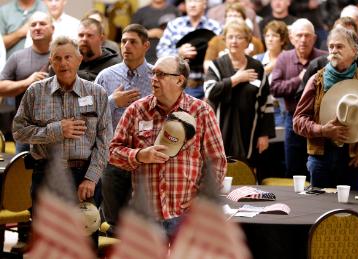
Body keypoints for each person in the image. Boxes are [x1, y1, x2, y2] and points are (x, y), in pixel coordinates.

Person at [109, 55, 227, 238]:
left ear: (180, 80)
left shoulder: (201, 112)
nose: (153, 79)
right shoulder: (137, 110)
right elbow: (113, 152)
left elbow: (217, 161)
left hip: (186, 215)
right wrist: (140, 155)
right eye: (153, 73)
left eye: (161, 74)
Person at [12, 36, 112, 249]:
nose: (63, 63)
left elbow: (105, 141)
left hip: (84, 177)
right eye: (57, 58)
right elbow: (18, 132)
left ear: (78, 59)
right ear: (51, 62)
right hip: (45, 174)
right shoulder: (35, 92)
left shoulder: (97, 93)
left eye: (68, 57)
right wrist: (56, 130)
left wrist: (91, 178)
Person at [293, 27, 358, 191]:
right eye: (331, 46)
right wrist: (322, 130)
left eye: (339, 46)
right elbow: (298, 120)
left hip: (354, 160)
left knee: (352, 212)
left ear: (354, 51)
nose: (333, 50)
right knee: (320, 210)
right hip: (321, 159)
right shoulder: (316, 80)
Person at [95, 24, 153, 232]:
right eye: (123, 41)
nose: (126, 46)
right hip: (113, 157)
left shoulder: (157, 77)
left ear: (146, 45)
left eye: (133, 42)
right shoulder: (105, 76)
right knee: (113, 222)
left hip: (145, 159)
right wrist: (112, 102)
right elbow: (91, 118)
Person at [204, 20, 275, 171]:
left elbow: (265, 102)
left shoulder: (257, 67)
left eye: (239, 37)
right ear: (225, 40)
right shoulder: (216, 66)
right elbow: (210, 91)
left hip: (249, 131)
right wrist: (236, 79)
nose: (234, 41)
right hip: (222, 128)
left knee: (247, 173)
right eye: (230, 37)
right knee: (220, 171)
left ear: (247, 41)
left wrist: (264, 134)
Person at [271, 18, 327, 178]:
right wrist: (299, 79)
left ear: (314, 38)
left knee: (317, 167)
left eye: (307, 36)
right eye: (299, 35)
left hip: (319, 121)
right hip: (293, 119)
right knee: (293, 169)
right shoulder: (284, 58)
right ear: (291, 38)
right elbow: (275, 88)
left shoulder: (324, 58)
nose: (303, 40)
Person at [0, 11, 54, 153]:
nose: (37, 27)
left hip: (56, 130)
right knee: (22, 174)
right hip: (25, 130)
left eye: (42, 24)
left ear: (52, 28)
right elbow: (1, 87)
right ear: (29, 30)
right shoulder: (17, 57)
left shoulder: (61, 55)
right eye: (33, 24)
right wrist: (27, 82)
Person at [156, 0, 222, 99]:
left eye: (196, 1)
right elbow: (161, 51)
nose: (192, 5)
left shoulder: (215, 27)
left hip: (209, 84)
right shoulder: (174, 25)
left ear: (204, 4)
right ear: (185, 4)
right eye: (189, 1)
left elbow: (223, 55)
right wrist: (178, 53)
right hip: (180, 85)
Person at [203, 2, 265, 73]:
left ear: (244, 19)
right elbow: (207, 67)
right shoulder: (215, 41)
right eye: (230, 16)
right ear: (225, 20)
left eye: (236, 16)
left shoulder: (256, 42)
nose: (233, 19)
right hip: (222, 80)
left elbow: (261, 67)